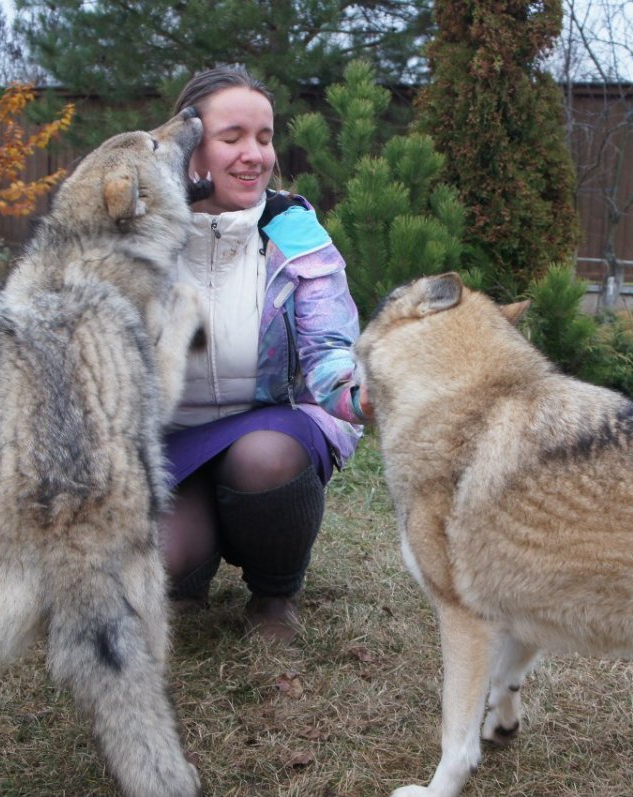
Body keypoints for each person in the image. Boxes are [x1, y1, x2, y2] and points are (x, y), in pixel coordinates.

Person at [159, 65, 368, 644]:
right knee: (166, 559)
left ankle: (275, 594)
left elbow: (329, 346)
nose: (255, 155)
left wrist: (358, 394)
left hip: (265, 428)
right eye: (232, 138)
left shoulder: (294, 229)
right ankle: (190, 571)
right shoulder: (138, 234)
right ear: (189, 143)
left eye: (265, 137)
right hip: (166, 440)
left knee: (265, 458)